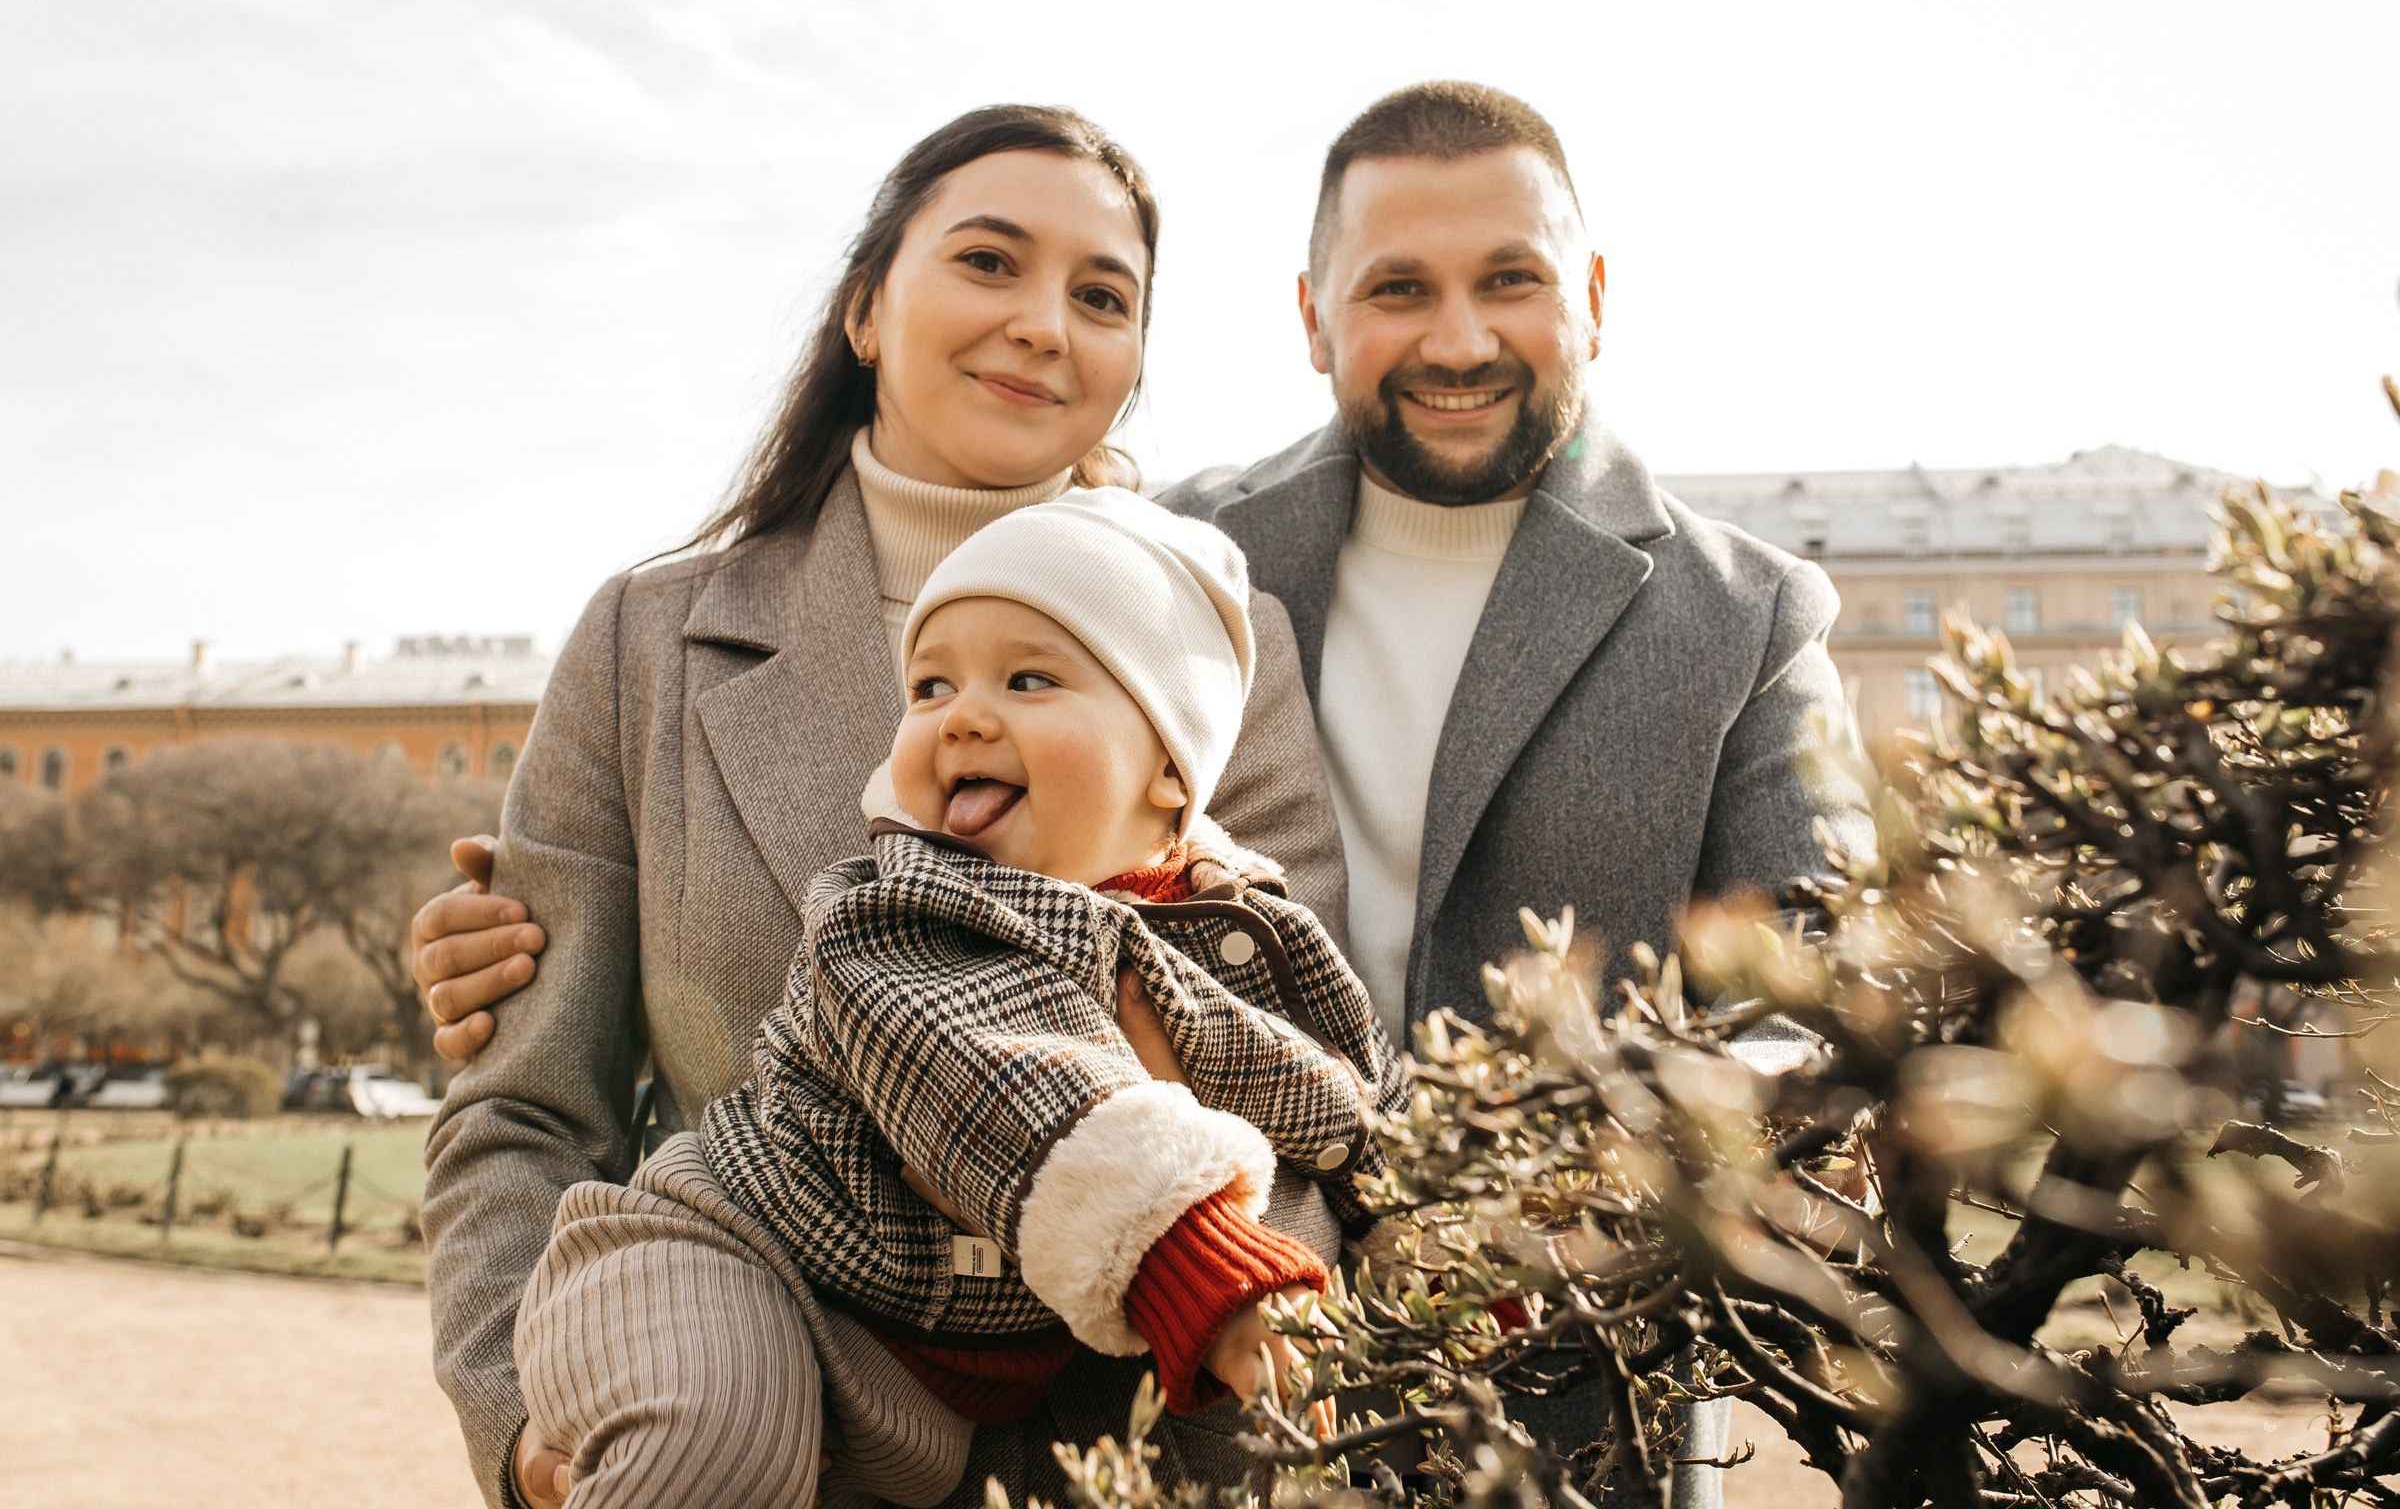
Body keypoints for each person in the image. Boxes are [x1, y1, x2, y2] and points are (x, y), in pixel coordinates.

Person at [416, 105, 1348, 1509]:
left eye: (1103, 296)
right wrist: (523, 1418)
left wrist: (1253, 1375)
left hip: (1121, 1452)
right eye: (989, 262)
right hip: (737, 1415)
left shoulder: (1229, 649)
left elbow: (1278, 1070)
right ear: (865, 307)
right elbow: (523, 1106)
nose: (1044, 323)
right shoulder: (644, 641)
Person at [1157, 81, 1874, 1504]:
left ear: (1593, 296)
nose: (1460, 339)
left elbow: (1824, 981)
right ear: (1313, 315)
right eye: (1399, 289)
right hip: (1201, 1386)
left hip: (1574, 1403)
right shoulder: (1176, 552)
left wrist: (1614, 1175)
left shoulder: (1749, 615)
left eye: (1512, 281)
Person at [511, 489, 1403, 1505]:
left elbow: (1356, 1111)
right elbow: (1015, 1081)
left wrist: (1469, 1264)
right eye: (931, 686)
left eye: (1029, 679)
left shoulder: (1254, 936)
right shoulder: (897, 913)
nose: (964, 714)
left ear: (1169, 764)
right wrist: (1204, 1261)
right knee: (710, 1445)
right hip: (734, 1264)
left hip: (935, 1381)